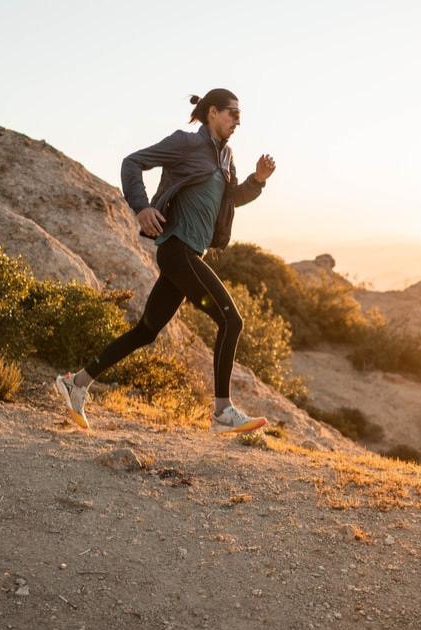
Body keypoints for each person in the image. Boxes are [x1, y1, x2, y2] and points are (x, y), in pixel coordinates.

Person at [54, 88, 275, 434]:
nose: (237, 121)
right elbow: (133, 162)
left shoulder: (226, 155)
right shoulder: (186, 144)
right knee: (232, 321)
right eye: (232, 113)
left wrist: (257, 181)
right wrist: (142, 207)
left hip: (191, 253)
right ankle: (222, 411)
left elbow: (230, 199)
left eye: (240, 116)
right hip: (177, 249)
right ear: (213, 112)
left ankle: (76, 383)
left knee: (146, 331)